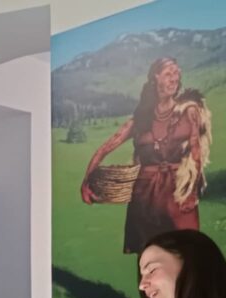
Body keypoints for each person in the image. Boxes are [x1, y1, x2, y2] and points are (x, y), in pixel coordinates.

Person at [81, 58, 211, 254]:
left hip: (179, 193)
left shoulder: (189, 112)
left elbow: (196, 152)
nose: (174, 78)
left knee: (188, 252)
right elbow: (105, 148)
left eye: (176, 73)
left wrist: (191, 193)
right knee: (149, 255)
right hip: (144, 195)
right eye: (168, 74)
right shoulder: (140, 119)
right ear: (155, 78)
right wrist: (86, 182)